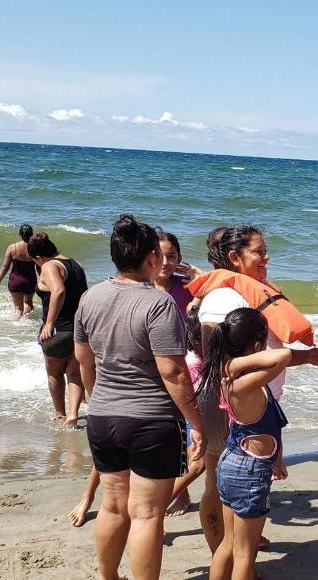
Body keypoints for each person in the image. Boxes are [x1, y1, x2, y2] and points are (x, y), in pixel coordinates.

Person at [74, 214, 206, 580]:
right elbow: (174, 372)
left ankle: (109, 576)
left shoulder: (90, 297)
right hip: (151, 421)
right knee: (147, 514)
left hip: (102, 416)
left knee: (113, 506)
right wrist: (196, 423)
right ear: (151, 257)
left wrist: (96, 400)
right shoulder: (159, 304)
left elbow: (85, 361)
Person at [195, 225, 318, 555]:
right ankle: (227, 558)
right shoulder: (224, 297)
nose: (266, 257)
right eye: (258, 251)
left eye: (266, 250)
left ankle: (240, 549)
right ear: (234, 257)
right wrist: (296, 357)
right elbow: (220, 361)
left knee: (250, 482)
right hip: (229, 408)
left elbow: (262, 354)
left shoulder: (255, 291)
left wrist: (305, 356)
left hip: (255, 407)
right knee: (218, 486)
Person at [200, 308, 318, 580]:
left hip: (232, 461)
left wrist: (277, 458)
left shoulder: (228, 376)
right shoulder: (242, 382)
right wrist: (235, 363)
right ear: (256, 346)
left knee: (228, 545)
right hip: (248, 472)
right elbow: (284, 355)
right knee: (244, 552)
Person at [28, 232, 88, 427]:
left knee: (54, 373)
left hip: (59, 330)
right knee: (74, 373)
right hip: (80, 329)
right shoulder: (77, 264)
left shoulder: (49, 265)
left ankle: (60, 414)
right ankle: (73, 415)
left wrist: (49, 323)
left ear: (38, 257)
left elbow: (59, 291)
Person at [166, 305, 207, 516]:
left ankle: (179, 497)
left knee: (195, 464)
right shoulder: (193, 363)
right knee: (198, 464)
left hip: (191, 416)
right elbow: (191, 397)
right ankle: (158, 505)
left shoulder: (195, 357)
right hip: (191, 416)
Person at [0, 223, 38, 318]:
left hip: (15, 281)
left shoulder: (12, 248)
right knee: (28, 303)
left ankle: (17, 328)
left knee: (18, 308)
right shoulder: (35, 248)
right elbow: (40, 266)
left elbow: (5, 266)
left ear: (19, 234)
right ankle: (27, 324)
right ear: (31, 234)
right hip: (30, 281)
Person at [154, 228, 200, 314]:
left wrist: (201, 279)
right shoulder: (141, 288)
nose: (165, 263)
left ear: (179, 259)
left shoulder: (187, 284)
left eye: (171, 256)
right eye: (159, 256)